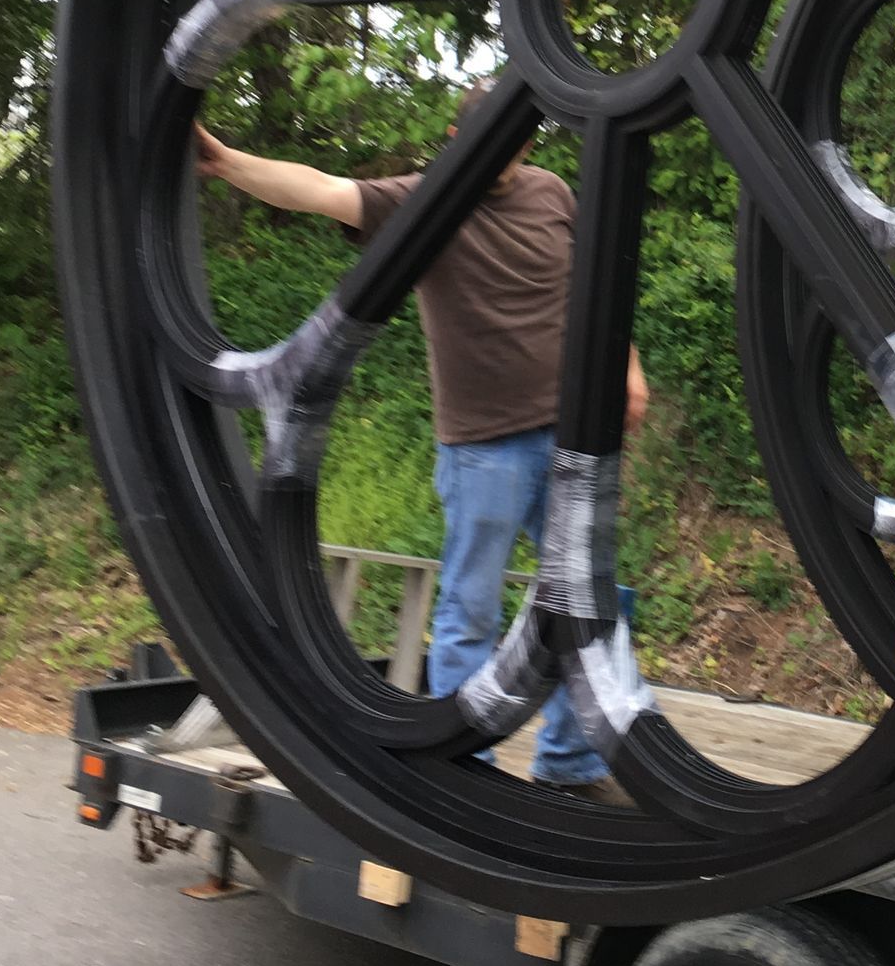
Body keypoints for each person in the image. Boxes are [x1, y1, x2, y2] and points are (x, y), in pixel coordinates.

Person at [193, 85, 647, 796]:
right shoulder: (425, 199)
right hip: (482, 446)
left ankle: (574, 764)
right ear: (457, 132)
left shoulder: (552, 192)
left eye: (520, 139)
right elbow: (320, 190)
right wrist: (227, 164)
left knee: (588, 596)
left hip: (571, 435)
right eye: (493, 138)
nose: (508, 152)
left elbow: (598, 284)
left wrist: (629, 366)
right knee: (471, 606)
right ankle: (465, 769)